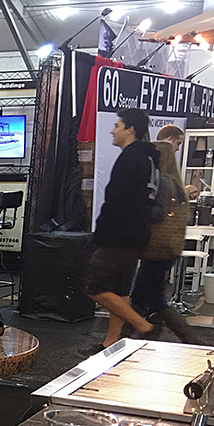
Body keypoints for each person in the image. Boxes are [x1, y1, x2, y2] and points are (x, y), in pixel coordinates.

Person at [83, 108, 162, 350]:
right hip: (137, 233)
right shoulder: (149, 159)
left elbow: (116, 200)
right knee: (119, 290)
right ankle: (111, 343)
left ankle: (144, 326)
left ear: (130, 130)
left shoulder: (131, 157)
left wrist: (101, 233)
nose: (112, 131)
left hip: (119, 234)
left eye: (117, 125)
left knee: (94, 287)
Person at [130, 126, 197, 343]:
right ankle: (132, 336)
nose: (178, 149)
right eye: (177, 144)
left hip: (155, 249)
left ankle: (192, 341)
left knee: (150, 299)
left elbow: (157, 213)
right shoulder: (173, 181)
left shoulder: (162, 181)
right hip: (165, 248)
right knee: (145, 297)